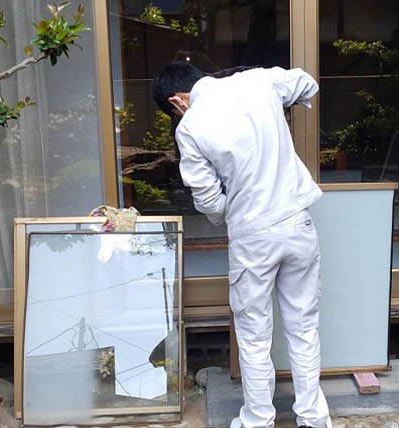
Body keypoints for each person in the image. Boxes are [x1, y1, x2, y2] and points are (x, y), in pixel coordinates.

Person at [152, 61, 331, 428]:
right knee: (303, 328)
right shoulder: (258, 81)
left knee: (253, 336)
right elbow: (307, 83)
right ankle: (314, 419)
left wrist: (229, 212)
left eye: (174, 112)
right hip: (297, 222)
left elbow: (207, 199)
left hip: (252, 236)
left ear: (176, 100)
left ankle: (259, 419)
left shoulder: (191, 126)